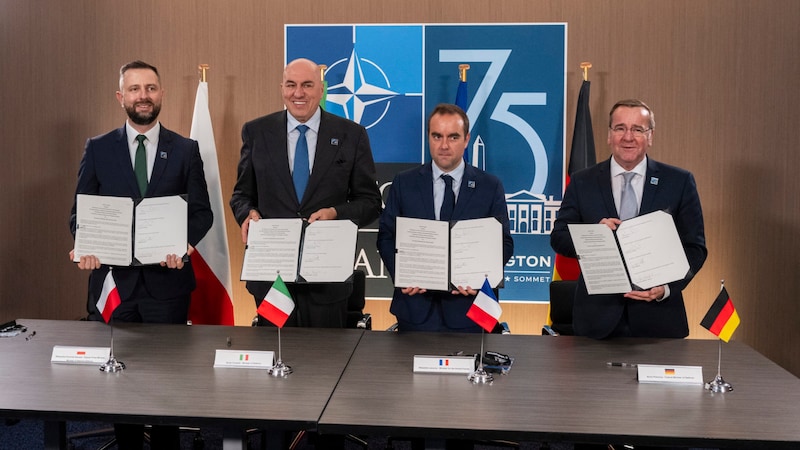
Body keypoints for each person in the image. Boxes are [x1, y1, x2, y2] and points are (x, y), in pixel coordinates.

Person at [69, 60, 213, 449]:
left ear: (161, 94)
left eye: (150, 88)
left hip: (167, 285)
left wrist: (185, 245)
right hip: (114, 283)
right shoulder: (98, 148)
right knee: (119, 379)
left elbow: (202, 212)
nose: (143, 96)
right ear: (121, 98)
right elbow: (80, 214)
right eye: (134, 89)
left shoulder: (186, 149)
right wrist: (87, 248)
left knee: (165, 379)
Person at [230, 58, 382, 328]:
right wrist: (247, 213)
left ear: (321, 89)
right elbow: (241, 195)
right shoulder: (256, 132)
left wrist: (337, 213)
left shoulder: (351, 135)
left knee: (324, 362)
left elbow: (370, 203)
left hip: (327, 279)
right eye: (291, 85)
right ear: (281, 88)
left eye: (307, 85)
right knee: (276, 356)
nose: (298, 93)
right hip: (271, 276)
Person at [550, 99, 707, 339]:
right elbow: (559, 238)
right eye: (620, 128)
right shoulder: (582, 181)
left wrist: (666, 289)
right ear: (609, 135)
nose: (628, 137)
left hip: (659, 319)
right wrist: (594, 235)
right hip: (596, 321)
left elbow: (695, 248)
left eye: (638, 129)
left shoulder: (679, 182)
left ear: (650, 136)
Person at [377, 103, 514, 332]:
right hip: (415, 310)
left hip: (471, 311)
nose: (443, 145)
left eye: (453, 137)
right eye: (436, 136)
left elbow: (504, 243)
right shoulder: (404, 182)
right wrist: (402, 276)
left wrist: (483, 278)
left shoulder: (490, 186)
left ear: (466, 139)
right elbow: (386, 237)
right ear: (428, 137)